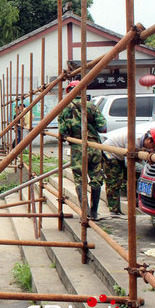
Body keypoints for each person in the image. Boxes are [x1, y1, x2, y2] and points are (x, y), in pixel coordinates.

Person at [58, 80, 107, 220]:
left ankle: (84, 212)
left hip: (77, 147)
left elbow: (62, 131)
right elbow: (102, 126)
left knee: (80, 179)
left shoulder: (64, 108)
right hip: (94, 146)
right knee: (96, 178)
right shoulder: (91, 106)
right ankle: (95, 212)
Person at [103, 127, 155, 215]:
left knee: (134, 177)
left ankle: (134, 202)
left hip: (121, 155)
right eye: (154, 145)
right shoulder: (134, 141)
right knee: (114, 181)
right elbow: (128, 163)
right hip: (110, 154)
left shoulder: (142, 142)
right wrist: (145, 169)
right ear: (149, 140)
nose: (154, 148)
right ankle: (114, 211)